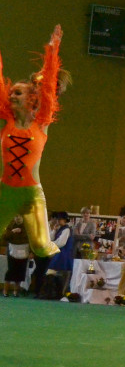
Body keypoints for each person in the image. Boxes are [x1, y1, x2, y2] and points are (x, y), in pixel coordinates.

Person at [0, 26, 65, 282]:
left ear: (31, 98)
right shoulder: (7, 121)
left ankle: (52, 271)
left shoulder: (42, 124)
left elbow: (48, 85)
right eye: (10, 92)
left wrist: (52, 50)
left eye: (17, 92)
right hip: (5, 191)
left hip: (32, 193)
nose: (11, 94)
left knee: (41, 246)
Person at [41, 210, 74, 299]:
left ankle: (55, 294)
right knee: (53, 274)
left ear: (64, 220)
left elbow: (61, 243)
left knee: (54, 274)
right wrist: (54, 230)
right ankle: (52, 294)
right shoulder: (60, 229)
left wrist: (50, 245)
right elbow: (51, 238)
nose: (58, 221)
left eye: (60, 219)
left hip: (63, 255)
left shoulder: (67, 229)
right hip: (59, 254)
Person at [2, 214, 30, 295]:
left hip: (24, 250)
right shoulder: (10, 225)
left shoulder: (28, 226)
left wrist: (31, 252)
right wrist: (13, 231)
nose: (18, 218)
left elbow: (31, 239)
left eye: (20, 216)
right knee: (11, 270)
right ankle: (5, 290)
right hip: (12, 250)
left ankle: (16, 291)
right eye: (16, 216)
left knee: (21, 271)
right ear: (14, 217)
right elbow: (4, 237)